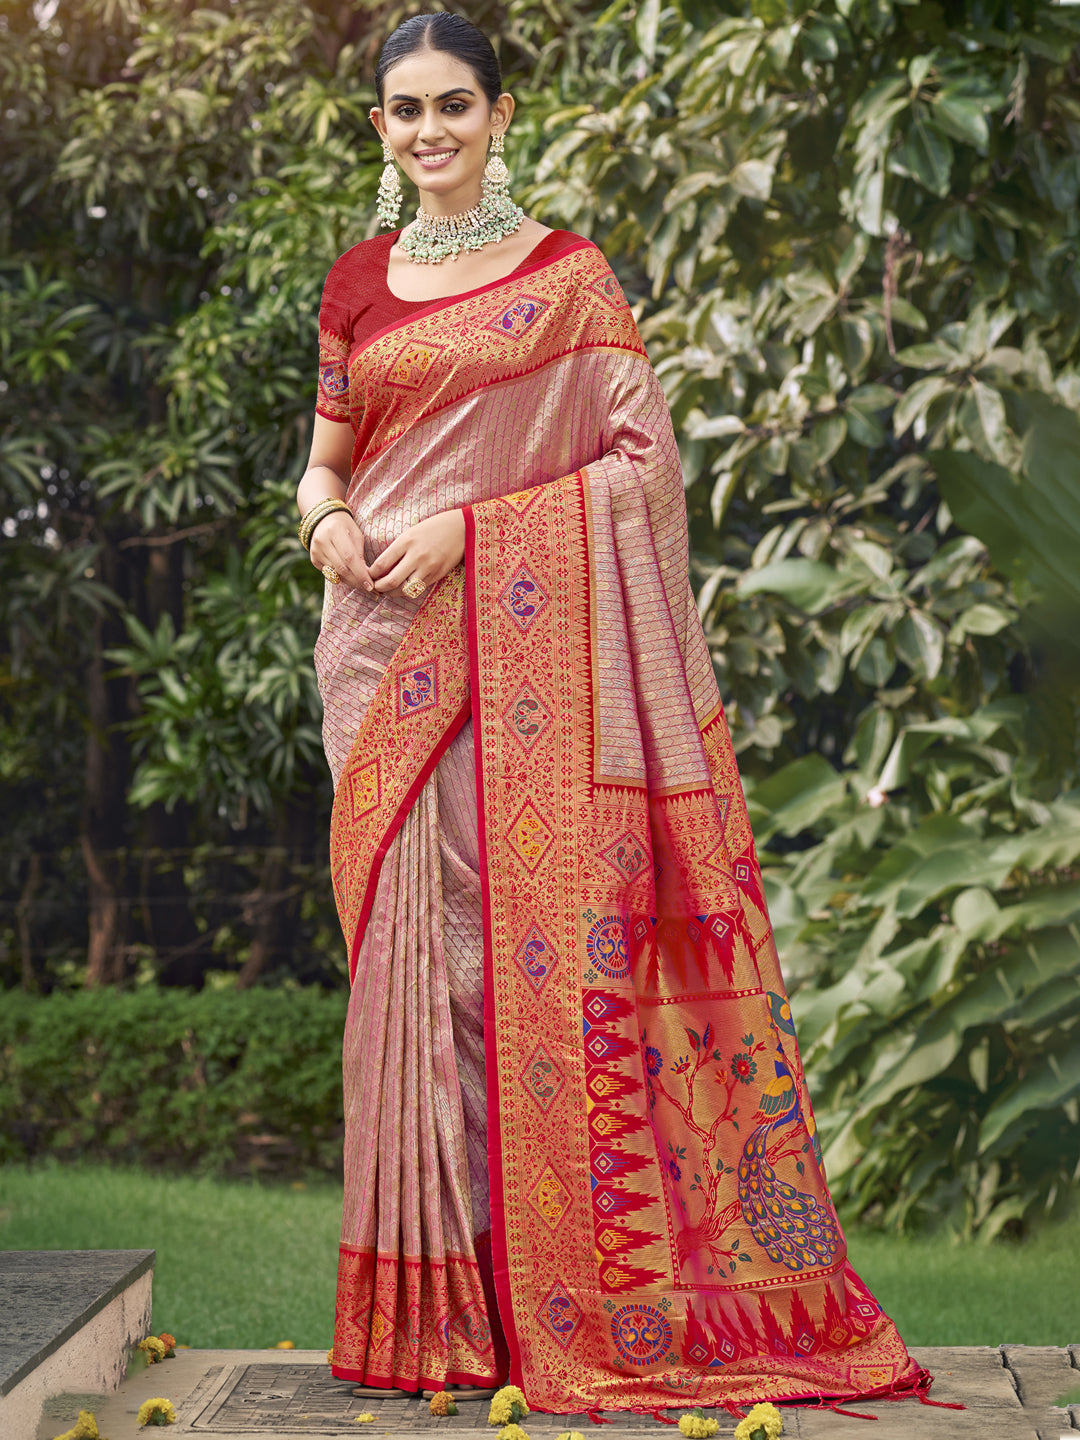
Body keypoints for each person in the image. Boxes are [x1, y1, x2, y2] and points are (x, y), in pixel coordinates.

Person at [297, 10, 931, 1417]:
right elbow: (322, 464)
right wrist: (331, 524)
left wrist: (472, 533)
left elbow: (641, 473)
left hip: (510, 640)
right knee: (408, 977)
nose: (429, 132)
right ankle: (430, 1313)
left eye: (453, 105)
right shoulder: (355, 280)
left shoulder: (571, 281)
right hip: (375, 653)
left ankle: (547, 1313)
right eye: (404, 111)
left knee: (500, 964)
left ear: (503, 115)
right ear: (379, 129)